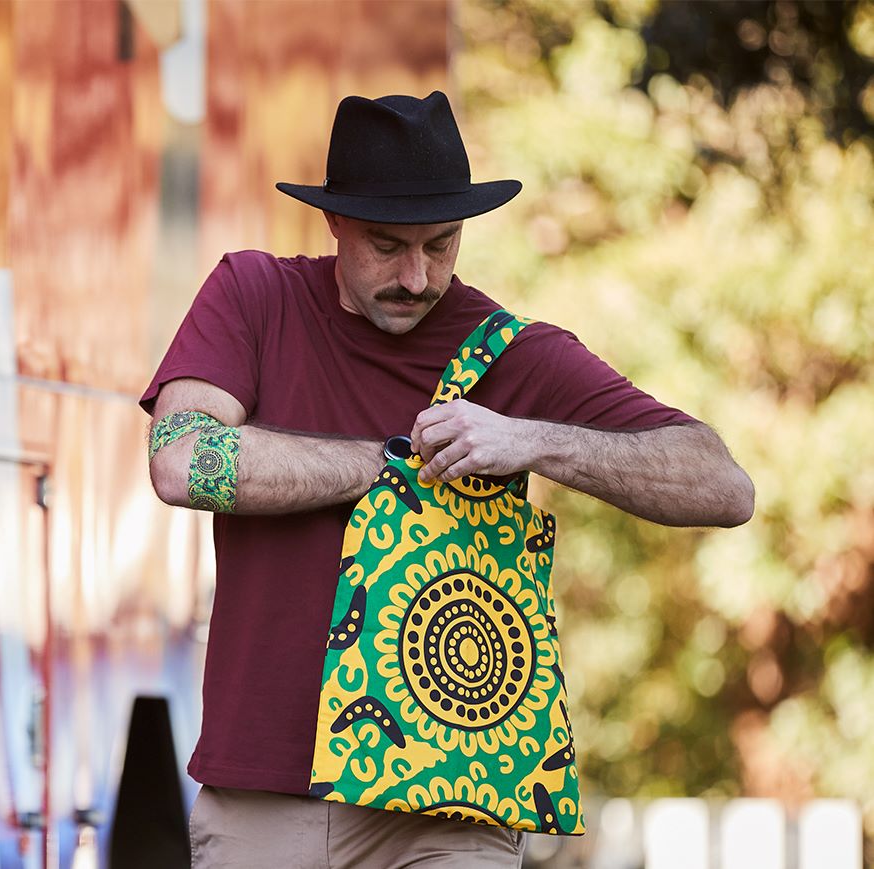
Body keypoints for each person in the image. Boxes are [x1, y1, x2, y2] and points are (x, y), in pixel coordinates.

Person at [141, 91, 754, 868]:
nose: (417, 274)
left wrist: (527, 440)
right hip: (266, 798)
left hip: (453, 807)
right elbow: (180, 459)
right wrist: (391, 463)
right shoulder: (254, 297)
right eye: (387, 245)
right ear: (333, 221)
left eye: (442, 243)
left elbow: (724, 485)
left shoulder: (506, 352)